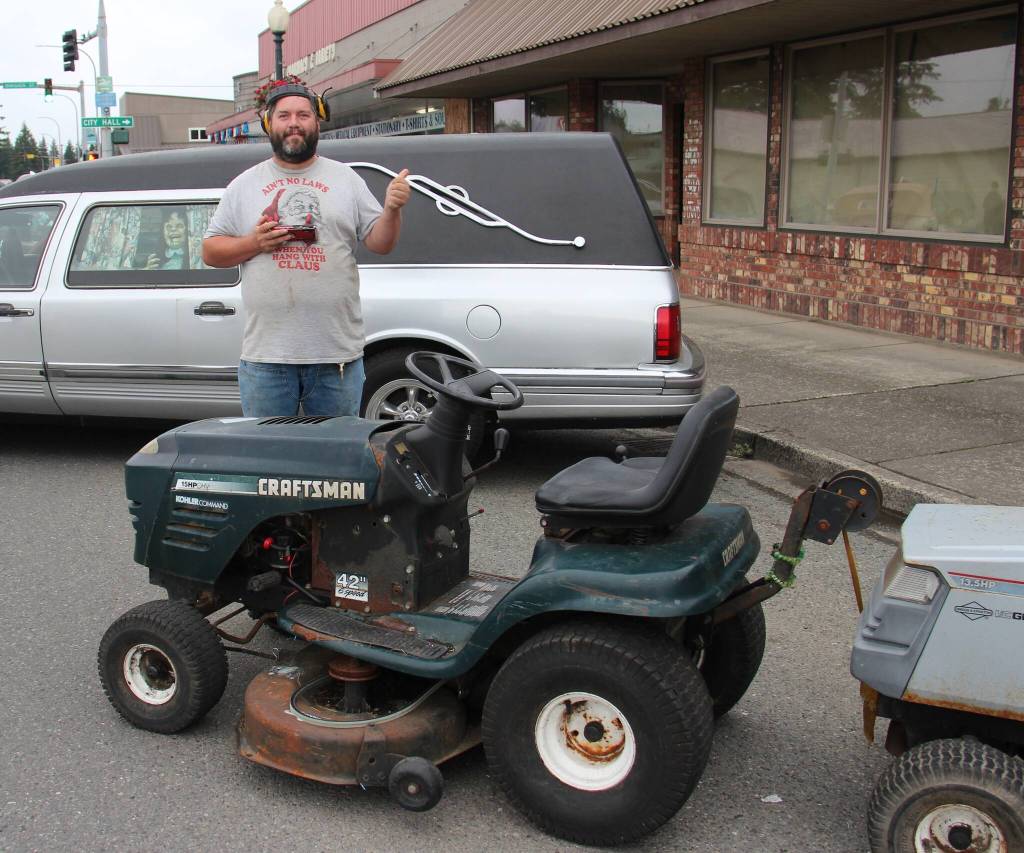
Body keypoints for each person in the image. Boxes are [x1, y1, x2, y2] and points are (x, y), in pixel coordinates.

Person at [202, 80, 411, 417]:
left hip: (336, 358)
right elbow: (211, 251)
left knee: (336, 458)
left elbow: (380, 242)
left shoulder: (347, 179)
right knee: (267, 458)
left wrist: (393, 210)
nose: (294, 123)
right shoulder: (243, 185)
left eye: (303, 114)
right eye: (284, 115)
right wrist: (253, 243)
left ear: (317, 122)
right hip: (266, 359)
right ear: (269, 124)